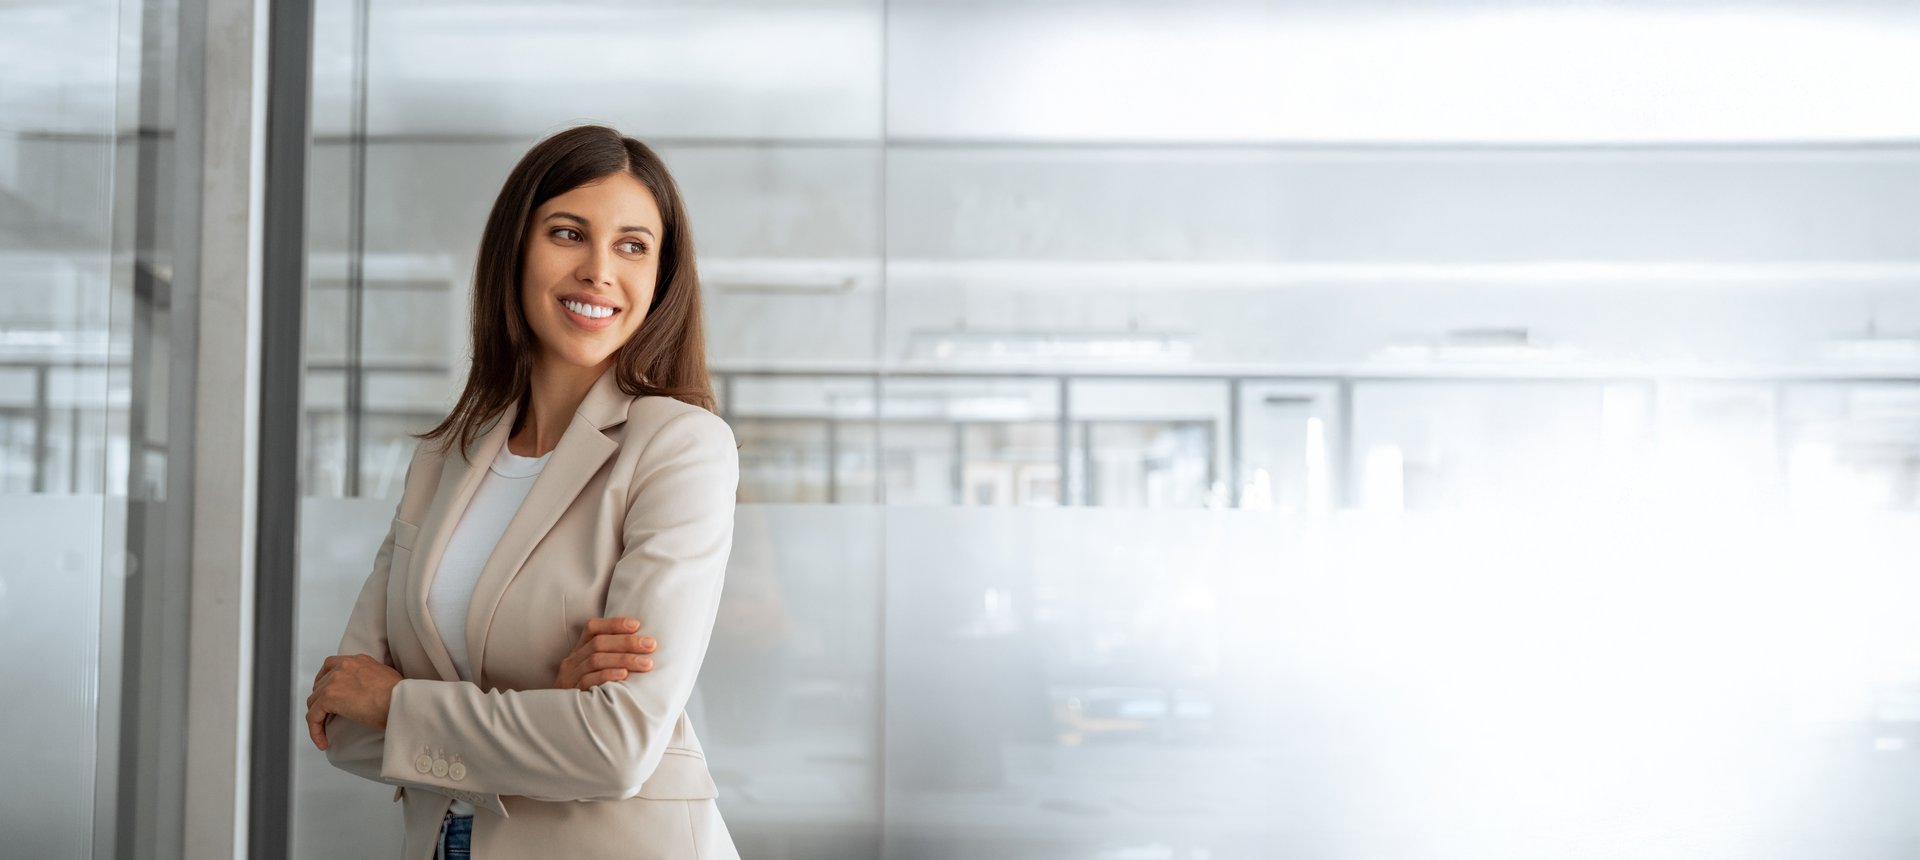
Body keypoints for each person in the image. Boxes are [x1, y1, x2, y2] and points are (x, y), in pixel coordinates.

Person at [303, 124, 741, 859]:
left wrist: (398, 703)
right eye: (568, 233)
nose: (600, 270)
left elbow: (615, 747)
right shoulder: (447, 458)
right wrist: (546, 702)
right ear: (516, 250)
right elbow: (342, 726)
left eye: (633, 245)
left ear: (661, 277)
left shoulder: (678, 446)